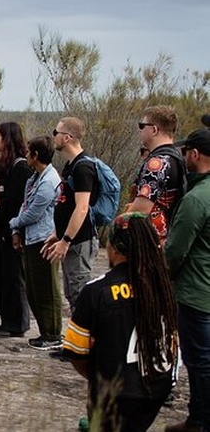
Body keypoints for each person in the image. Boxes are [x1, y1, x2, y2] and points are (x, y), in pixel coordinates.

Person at [62, 213, 177, 432]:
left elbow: (76, 353)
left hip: (114, 393)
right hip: (156, 389)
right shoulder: (164, 289)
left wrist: (98, 377)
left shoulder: (96, 292)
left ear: (113, 248)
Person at [164, 129, 210, 432]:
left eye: (185, 152)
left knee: (199, 362)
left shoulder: (196, 199)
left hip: (196, 292)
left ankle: (200, 421)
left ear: (194, 154)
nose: (183, 156)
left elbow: (175, 250)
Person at [8, 136, 63, 349]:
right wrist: (16, 229)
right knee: (33, 289)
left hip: (44, 239)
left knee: (47, 288)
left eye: (29, 151)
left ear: (36, 155)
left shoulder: (49, 181)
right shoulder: (34, 179)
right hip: (31, 238)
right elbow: (25, 205)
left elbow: (33, 213)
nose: (26, 155)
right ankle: (44, 332)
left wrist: (13, 222)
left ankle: (53, 334)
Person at [42, 117, 98, 313]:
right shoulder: (71, 165)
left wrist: (66, 240)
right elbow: (67, 203)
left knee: (79, 292)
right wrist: (58, 233)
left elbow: (82, 208)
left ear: (67, 137)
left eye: (56, 132)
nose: (53, 136)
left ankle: (85, 340)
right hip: (69, 238)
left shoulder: (83, 167)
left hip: (79, 241)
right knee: (71, 293)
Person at [0, 122, 33, 338]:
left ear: (8, 140)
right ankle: (5, 318)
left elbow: (13, 201)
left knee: (13, 277)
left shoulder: (21, 168)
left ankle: (17, 322)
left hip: (12, 230)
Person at [125, 105, 187, 243]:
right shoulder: (177, 158)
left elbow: (140, 211)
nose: (140, 131)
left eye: (142, 126)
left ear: (154, 129)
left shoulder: (157, 164)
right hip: (169, 238)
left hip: (152, 242)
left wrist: (118, 229)